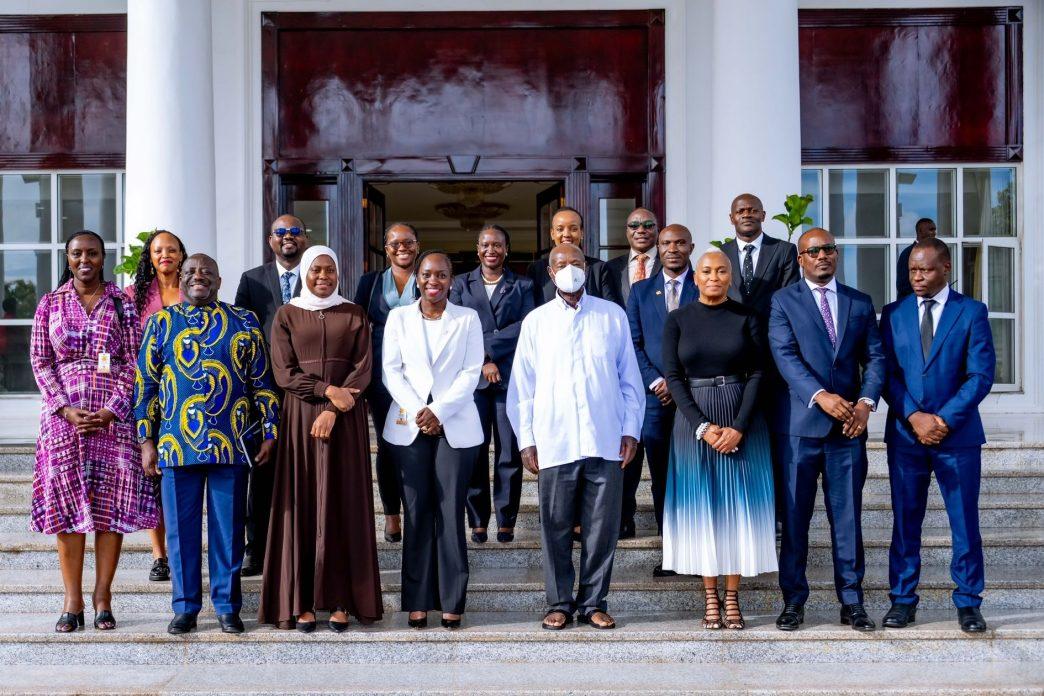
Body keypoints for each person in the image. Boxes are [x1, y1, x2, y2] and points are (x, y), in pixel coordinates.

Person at [135, 254, 279, 635]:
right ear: (180, 279)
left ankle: (227, 607)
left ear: (218, 279)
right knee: (181, 534)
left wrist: (269, 431)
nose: (198, 277)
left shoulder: (244, 322)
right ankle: (185, 608)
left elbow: (262, 384)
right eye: (191, 272)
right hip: (175, 444)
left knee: (228, 531)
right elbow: (145, 387)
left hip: (230, 443)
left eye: (206, 272)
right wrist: (146, 440)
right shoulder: (160, 323)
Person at [508, 243, 644, 631]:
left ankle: (593, 602)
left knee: (602, 528)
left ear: (588, 268)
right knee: (555, 527)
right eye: (561, 264)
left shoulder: (611, 316)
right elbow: (522, 387)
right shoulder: (536, 321)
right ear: (550, 274)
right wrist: (526, 439)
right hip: (555, 440)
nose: (570, 269)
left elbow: (629, 380)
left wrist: (630, 429)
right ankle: (560, 602)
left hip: (605, 439)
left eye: (576, 263)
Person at [31, 230, 158, 632]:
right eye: (77, 253)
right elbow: (40, 360)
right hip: (63, 423)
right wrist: (65, 408)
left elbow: (135, 360)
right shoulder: (50, 303)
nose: (85, 259)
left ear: (104, 257)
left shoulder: (121, 303)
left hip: (112, 422)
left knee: (109, 509)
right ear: (67, 259)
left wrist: (112, 409)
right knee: (68, 510)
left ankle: (103, 597)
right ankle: (72, 600)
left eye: (92, 253)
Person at [259, 245, 383, 633]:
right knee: (305, 503)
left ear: (338, 273)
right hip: (300, 418)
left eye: (330, 270)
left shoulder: (355, 313)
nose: (323, 277)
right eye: (316, 271)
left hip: (345, 420)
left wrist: (334, 407)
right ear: (305, 274)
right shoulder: (287, 314)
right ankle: (304, 601)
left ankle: (341, 599)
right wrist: (328, 392)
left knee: (342, 505)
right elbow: (284, 373)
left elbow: (363, 369)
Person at [769, 228, 886, 633]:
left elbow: (875, 358)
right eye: (813, 251)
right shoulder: (784, 301)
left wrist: (867, 403)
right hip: (799, 430)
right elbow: (784, 356)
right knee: (796, 520)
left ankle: (852, 602)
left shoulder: (859, 301)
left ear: (836, 255)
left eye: (828, 249)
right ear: (800, 258)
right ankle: (793, 602)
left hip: (848, 431)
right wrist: (820, 396)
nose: (822, 256)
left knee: (847, 520)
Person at [880, 238, 994, 633]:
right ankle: (902, 600)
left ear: (946, 268)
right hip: (906, 437)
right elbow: (887, 374)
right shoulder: (892, 314)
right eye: (912, 270)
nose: (917, 277)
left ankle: (967, 602)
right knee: (905, 522)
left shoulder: (971, 312)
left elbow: (980, 375)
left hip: (957, 437)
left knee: (964, 521)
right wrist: (913, 415)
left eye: (925, 270)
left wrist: (942, 419)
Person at [661, 248, 777, 630]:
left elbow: (760, 372)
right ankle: (709, 594)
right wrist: (702, 427)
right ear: (696, 277)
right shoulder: (677, 319)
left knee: (737, 508)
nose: (713, 276)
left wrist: (739, 425)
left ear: (731, 277)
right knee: (703, 508)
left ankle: (733, 595)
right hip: (694, 421)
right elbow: (674, 377)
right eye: (707, 271)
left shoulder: (748, 317)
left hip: (742, 418)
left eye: (721, 271)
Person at [382, 250, 484, 630]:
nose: (433, 281)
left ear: (451, 280)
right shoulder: (398, 318)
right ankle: (418, 600)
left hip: (455, 426)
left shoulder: (468, 319)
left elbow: (471, 372)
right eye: (426, 275)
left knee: (449, 513)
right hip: (409, 427)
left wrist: (439, 411)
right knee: (417, 513)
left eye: (441, 275)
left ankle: (453, 600)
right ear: (417, 279)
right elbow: (392, 372)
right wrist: (420, 410)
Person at [449, 225, 535, 544]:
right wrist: (484, 359)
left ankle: (506, 518)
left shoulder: (523, 284)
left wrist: (493, 353)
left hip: (511, 376)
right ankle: (477, 518)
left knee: (509, 451)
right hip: (473, 379)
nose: (491, 250)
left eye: (497, 244)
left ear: (506, 249)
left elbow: (526, 325)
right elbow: (458, 325)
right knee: (475, 448)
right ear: (477, 249)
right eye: (485, 244)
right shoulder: (460, 284)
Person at [234, 214, 309, 576]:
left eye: (294, 231)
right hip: (262, 391)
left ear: (304, 239)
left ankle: (302, 546)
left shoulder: (316, 275)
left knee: (306, 470)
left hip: (307, 390)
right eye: (281, 232)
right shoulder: (253, 281)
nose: (288, 237)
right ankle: (256, 548)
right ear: (271, 240)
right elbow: (241, 334)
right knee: (262, 473)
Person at [719, 193, 800, 528]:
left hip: (771, 361)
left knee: (771, 437)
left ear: (764, 215)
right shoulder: (720, 254)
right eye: (741, 210)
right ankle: (742, 512)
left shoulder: (783, 251)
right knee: (740, 435)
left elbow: (787, 298)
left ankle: (777, 514)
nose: (747, 214)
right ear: (731, 217)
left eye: (753, 209)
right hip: (731, 362)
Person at [624, 223, 697, 553]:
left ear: (690, 248)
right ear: (658, 247)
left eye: (680, 243)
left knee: (695, 474)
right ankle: (672, 549)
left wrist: (681, 382)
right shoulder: (640, 291)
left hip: (698, 397)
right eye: (667, 242)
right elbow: (632, 344)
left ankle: (698, 547)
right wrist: (657, 380)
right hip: (655, 399)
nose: (673, 248)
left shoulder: (706, 285)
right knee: (662, 475)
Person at [124, 229, 186, 583]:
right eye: (159, 250)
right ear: (149, 256)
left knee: (180, 477)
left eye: (172, 249)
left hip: (185, 395)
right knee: (153, 477)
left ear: (181, 255)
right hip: (149, 395)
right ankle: (159, 554)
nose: (165, 255)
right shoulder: (134, 297)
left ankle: (180, 548)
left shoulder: (192, 288)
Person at [354, 222, 420, 544]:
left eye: (407, 242)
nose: (401, 247)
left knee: (418, 447)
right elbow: (355, 330)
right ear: (386, 247)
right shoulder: (370, 283)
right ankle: (392, 515)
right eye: (394, 243)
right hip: (381, 378)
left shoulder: (428, 279)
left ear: (417, 246)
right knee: (388, 447)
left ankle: (418, 512)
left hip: (421, 378)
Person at [525, 207, 619, 306]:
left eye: (573, 229)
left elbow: (610, 309)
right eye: (560, 229)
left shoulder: (599, 269)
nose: (566, 234)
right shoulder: (536, 269)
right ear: (552, 234)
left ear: (581, 233)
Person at [605, 207, 662, 307]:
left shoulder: (670, 263)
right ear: (627, 232)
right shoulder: (611, 267)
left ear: (658, 230)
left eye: (648, 225)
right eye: (634, 226)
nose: (640, 230)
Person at [896, 218, 938, 299]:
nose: (934, 233)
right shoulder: (908, 254)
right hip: (911, 306)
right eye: (931, 229)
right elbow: (903, 286)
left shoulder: (935, 253)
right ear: (920, 231)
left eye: (934, 230)